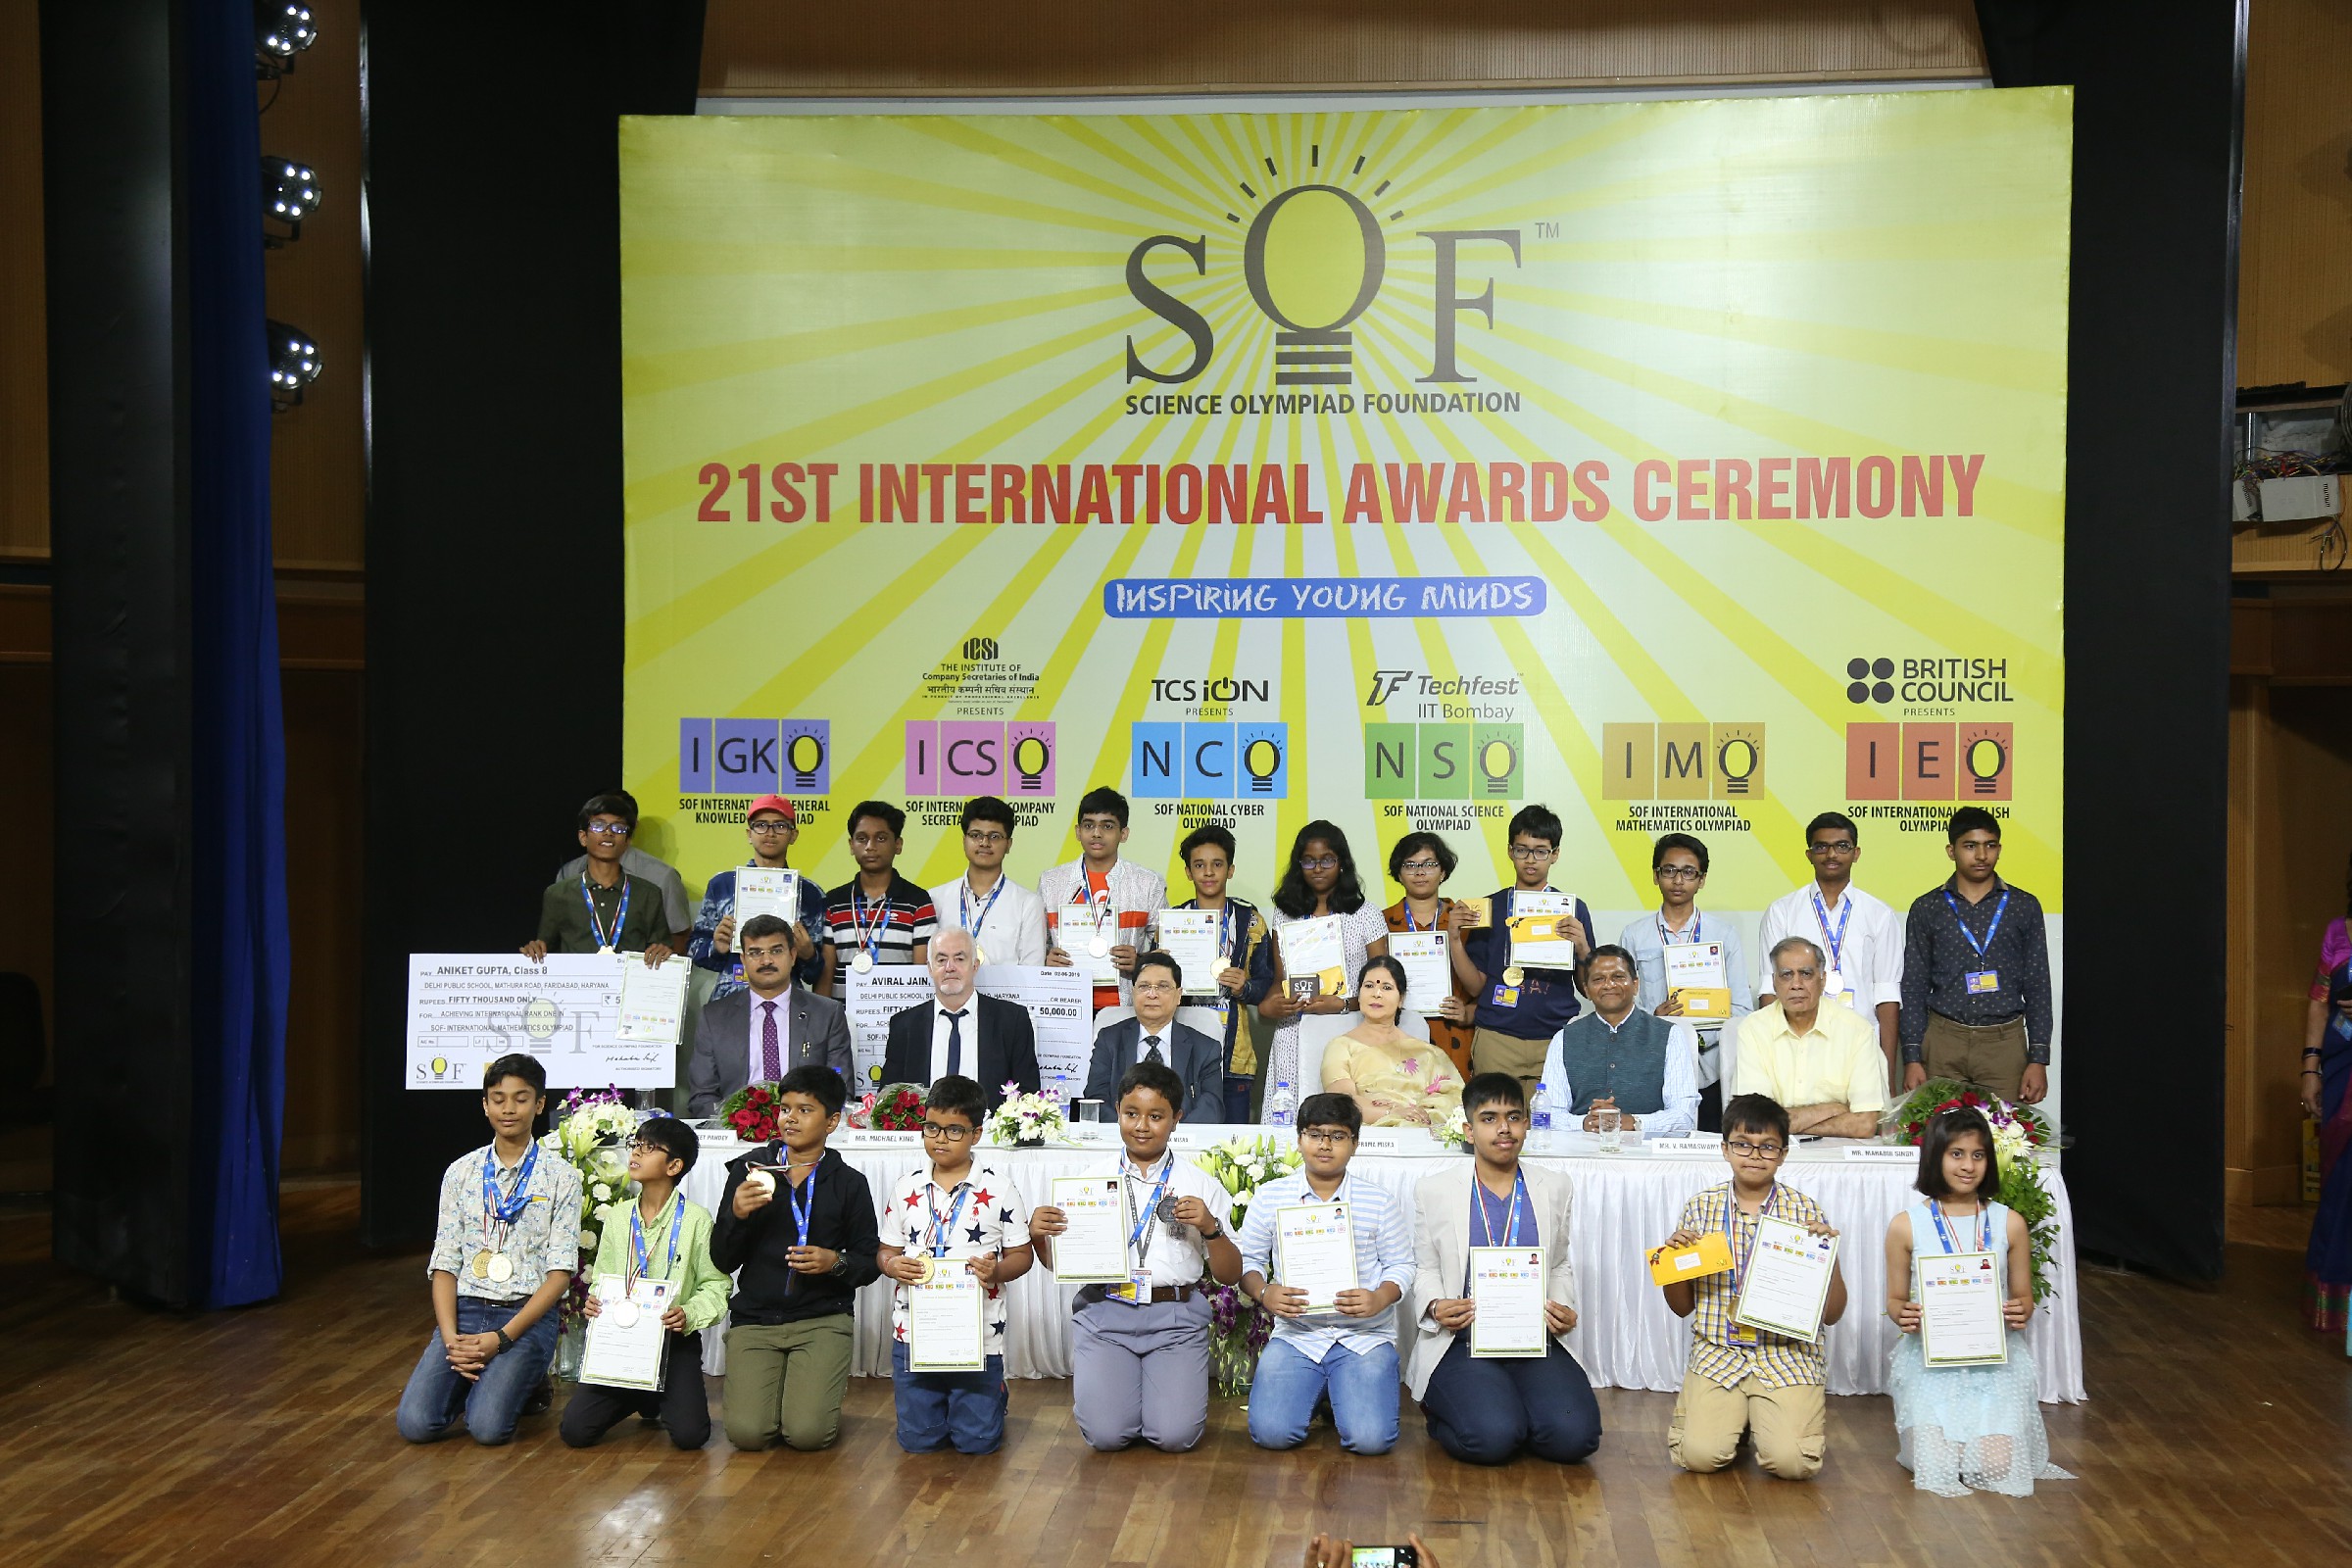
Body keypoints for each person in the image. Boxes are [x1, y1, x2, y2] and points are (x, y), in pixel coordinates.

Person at [1029, 1060, 1242, 1452]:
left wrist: (1211, 1228)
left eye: (1156, 1116)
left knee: (1176, 1437)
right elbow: (1060, 1264)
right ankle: (1129, 1399)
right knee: (1106, 1436)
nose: (1142, 1126)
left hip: (1175, 1319)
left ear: (1176, 1119)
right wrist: (1038, 1238)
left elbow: (1230, 1275)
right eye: (1131, 1114)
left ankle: (1156, 1401)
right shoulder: (1087, 1183)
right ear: (1117, 1112)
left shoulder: (1200, 1185)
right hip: (1106, 1312)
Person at [1404, 1073, 1602, 1466]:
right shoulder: (1436, 1189)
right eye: (1489, 1118)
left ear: (1527, 1124)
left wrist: (1562, 1306)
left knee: (1575, 1439)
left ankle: (1513, 1412)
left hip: (1532, 1339)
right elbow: (1425, 1268)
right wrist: (1436, 1306)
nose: (1504, 1129)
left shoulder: (1554, 1186)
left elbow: (1558, 1263)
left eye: (1513, 1117)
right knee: (1491, 1438)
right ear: (1469, 1129)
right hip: (1462, 1340)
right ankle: (1460, 1415)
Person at [1654, 1093, 1845, 1481]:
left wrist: (1828, 1254)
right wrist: (1674, 1262)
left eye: (1768, 1147)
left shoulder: (1805, 1212)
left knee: (1792, 1463)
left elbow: (1833, 1314)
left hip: (1786, 1353)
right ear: (1725, 1149)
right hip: (1720, 1350)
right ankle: (1738, 1420)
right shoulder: (1700, 1208)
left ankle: (1756, 1416)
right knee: (1699, 1456)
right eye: (1743, 1144)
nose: (1755, 1155)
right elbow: (1681, 1307)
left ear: (1784, 1154)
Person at [395, 1054, 583, 1446]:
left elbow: (560, 1274)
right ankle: (485, 1379)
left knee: (488, 1429)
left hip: (524, 1317)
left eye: (520, 1098)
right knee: (416, 1424)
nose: (508, 1108)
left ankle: (526, 1382)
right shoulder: (460, 1172)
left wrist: (502, 1338)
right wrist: (451, 1339)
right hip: (465, 1313)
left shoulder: (561, 1177)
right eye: (498, 1099)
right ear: (485, 1105)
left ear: (539, 1104)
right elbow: (445, 1264)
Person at [1885, 1105, 2072, 1497]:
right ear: (1935, 1157)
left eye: (1978, 1155)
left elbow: (2024, 1297)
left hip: (1994, 1366)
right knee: (1937, 1464)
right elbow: (1895, 1301)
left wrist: (2021, 1310)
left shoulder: (2009, 1222)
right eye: (1956, 1154)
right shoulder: (1906, 1224)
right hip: (1931, 1364)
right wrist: (1903, 1313)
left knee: (1994, 1467)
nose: (1968, 1166)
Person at [709, 1063, 882, 1451]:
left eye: (805, 1110)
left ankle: (805, 1398)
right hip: (756, 1321)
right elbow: (722, 1259)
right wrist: (736, 1215)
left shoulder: (849, 1183)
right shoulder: (750, 1171)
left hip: (822, 1320)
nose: (790, 1118)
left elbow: (869, 1260)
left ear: (832, 1121)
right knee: (748, 1434)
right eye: (785, 1108)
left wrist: (834, 1262)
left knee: (807, 1434)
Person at [1237, 1092, 1415, 1455]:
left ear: (1355, 1143)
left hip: (1364, 1336)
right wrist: (1264, 1292)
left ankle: (1336, 1393)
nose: (1325, 1144)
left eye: (1337, 1136)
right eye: (1315, 1134)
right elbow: (1248, 1260)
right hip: (1298, 1335)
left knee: (1371, 1441)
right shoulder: (1270, 1196)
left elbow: (1402, 1264)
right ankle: (1323, 1393)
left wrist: (1379, 1297)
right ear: (1299, 1138)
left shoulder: (1378, 1201)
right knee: (1272, 1435)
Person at [875, 1075, 1035, 1454]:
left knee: (977, 1443)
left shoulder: (999, 1188)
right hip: (915, 1331)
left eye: (954, 1130)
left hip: (977, 1334)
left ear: (976, 1134)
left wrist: (996, 1271)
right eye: (932, 1127)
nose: (940, 1139)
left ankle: (993, 1394)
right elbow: (885, 1251)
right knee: (919, 1442)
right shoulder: (906, 1187)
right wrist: (892, 1266)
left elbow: (1022, 1255)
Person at [560, 1115, 729, 1450]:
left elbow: (715, 1286)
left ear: (674, 1165)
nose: (636, 1152)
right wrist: (596, 1301)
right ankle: (642, 1393)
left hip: (673, 1340)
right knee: (575, 1431)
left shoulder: (696, 1219)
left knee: (691, 1436)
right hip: (623, 1338)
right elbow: (603, 1277)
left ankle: (653, 1392)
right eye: (635, 1144)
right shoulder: (619, 1216)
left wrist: (688, 1313)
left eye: (650, 1147)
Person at [1899, 808, 2052, 1104]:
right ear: (1951, 851)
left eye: (1990, 845)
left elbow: (2038, 985)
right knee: (1938, 1130)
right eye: (1970, 846)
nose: (1982, 855)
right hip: (1943, 1041)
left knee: (2005, 1132)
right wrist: (1912, 1057)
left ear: (1999, 849)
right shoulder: (1927, 908)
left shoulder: (2024, 906)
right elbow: (1914, 986)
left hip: (2004, 1045)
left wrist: (2038, 1058)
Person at [1452, 805, 1595, 1097]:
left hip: (1556, 1036)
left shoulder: (1573, 909)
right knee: (1496, 1117)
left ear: (1555, 854)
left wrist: (1583, 948)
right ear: (1510, 851)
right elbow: (1476, 986)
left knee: (1552, 1121)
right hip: (1497, 1037)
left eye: (1541, 851)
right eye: (1522, 850)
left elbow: (1587, 989)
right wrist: (1454, 939)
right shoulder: (1490, 908)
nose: (1531, 860)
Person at [1756, 812, 1903, 1090]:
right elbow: (1770, 989)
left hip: (1862, 1044)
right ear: (1809, 854)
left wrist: (1887, 1074)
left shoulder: (1879, 915)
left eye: (1842, 846)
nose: (1832, 854)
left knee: (1861, 1117)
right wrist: (1771, 1058)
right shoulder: (1782, 912)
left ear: (1856, 853)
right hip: (1798, 1045)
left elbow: (1887, 994)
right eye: (1822, 846)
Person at [1256, 820, 1391, 1115]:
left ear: (1342, 863)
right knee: (1291, 1120)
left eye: (1327, 860)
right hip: (1293, 1032)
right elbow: (1280, 980)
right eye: (1309, 861)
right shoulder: (1285, 914)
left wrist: (1341, 1005)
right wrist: (1270, 1006)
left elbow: (1383, 989)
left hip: (1348, 1030)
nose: (1317, 868)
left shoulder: (1366, 914)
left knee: (1341, 1118)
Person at [1619, 832, 1748, 1132]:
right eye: (1670, 870)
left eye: (1689, 872)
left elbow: (1742, 1009)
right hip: (1653, 1064)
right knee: (1654, 1146)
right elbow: (1622, 1006)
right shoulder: (1634, 935)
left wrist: (1699, 1039)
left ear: (1702, 880)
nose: (1678, 880)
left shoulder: (1724, 935)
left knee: (1710, 1147)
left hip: (1713, 1068)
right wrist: (1653, 1019)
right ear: (1656, 876)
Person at [684, 913, 853, 1115]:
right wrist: (734, 1123)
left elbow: (840, 1090)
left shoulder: (827, 1014)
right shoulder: (714, 1017)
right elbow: (702, 1097)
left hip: (807, 1128)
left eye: (776, 951)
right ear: (743, 960)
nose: (766, 960)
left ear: (793, 956)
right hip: (736, 1128)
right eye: (755, 952)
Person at [1536, 945, 1700, 1139]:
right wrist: (1585, 1123)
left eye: (1618, 977)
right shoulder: (1564, 1039)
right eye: (1598, 979)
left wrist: (1634, 1122)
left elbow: (1684, 1116)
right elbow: (1548, 1114)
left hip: (1646, 1149)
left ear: (1635, 985)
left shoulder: (1670, 1035)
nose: (1609, 985)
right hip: (1581, 1147)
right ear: (1587, 990)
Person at [1730, 938, 1886, 1138]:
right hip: (1773, 1150)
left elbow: (1864, 1124)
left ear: (1823, 980)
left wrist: (1784, 1124)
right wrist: (1831, 1109)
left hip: (1839, 1152)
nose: (1796, 984)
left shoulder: (1857, 1030)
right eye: (1786, 975)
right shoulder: (1753, 1029)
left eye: (1806, 974)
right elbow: (1755, 1120)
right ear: (1774, 983)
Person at [1172, 824, 1273, 1123]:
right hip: (1183, 1050)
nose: (1208, 872)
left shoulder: (1251, 920)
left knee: (1233, 1139)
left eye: (1217, 864)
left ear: (1230, 870)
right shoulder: (1173, 921)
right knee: (1183, 1136)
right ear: (1188, 872)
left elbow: (1267, 982)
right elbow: (1154, 985)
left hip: (1235, 1053)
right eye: (1199, 865)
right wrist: (1162, 968)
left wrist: (1245, 987)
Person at [1038, 786, 1168, 1013]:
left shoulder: (1148, 883)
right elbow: (1035, 946)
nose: (1096, 833)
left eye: (1107, 826)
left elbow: (1168, 951)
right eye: (1089, 825)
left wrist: (1141, 961)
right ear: (1078, 831)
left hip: (1127, 1008)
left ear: (1124, 833)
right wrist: (1045, 961)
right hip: (1065, 1006)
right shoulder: (1051, 882)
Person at [880, 926, 1041, 1108]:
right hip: (924, 1126)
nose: (950, 968)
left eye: (959, 959)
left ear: (975, 966)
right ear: (930, 968)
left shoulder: (1012, 1020)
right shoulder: (904, 1025)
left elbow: (1028, 1093)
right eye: (941, 960)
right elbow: (888, 1098)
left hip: (989, 1126)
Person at [687, 795, 829, 1001]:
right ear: (749, 834)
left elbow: (816, 972)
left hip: (787, 1003)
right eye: (761, 825)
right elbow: (694, 950)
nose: (770, 833)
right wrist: (716, 947)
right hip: (730, 1000)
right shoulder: (722, 885)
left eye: (780, 826)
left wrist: (809, 955)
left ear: (793, 835)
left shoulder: (810, 893)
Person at [523, 794, 675, 963]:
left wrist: (662, 951)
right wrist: (535, 949)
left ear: (627, 841)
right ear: (583, 837)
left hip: (630, 980)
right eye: (598, 826)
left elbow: (662, 949)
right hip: (578, 980)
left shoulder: (649, 894)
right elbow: (546, 950)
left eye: (618, 828)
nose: (608, 832)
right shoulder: (558, 894)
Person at [1320, 955, 1465, 1129]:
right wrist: (1392, 1113)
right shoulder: (1341, 1046)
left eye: (1386, 987)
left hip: (1422, 1130)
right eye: (1369, 986)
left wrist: (1417, 1115)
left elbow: (1454, 1098)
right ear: (1359, 995)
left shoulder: (1427, 1053)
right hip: (1369, 1131)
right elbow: (1341, 1102)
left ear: (1401, 999)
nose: (1376, 994)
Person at [2301, 862, 2352, 1333]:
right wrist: (2310, 1068)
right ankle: (2334, 1301)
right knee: (2340, 1183)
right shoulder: (2338, 932)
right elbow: (2319, 1001)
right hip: (2340, 1068)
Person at [1081, 951, 1223, 1115]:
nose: (1152, 994)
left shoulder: (1206, 1048)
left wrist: (1172, 1129)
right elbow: (1096, 1099)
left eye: (1162, 986)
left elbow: (1212, 1107)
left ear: (1178, 995)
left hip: (1180, 1130)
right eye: (1144, 986)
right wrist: (1129, 1128)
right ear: (1133, 992)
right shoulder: (1109, 1039)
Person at [1385, 831, 1480, 1075]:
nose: (1420, 872)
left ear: (1443, 871)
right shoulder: (1382, 922)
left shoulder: (1465, 919)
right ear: (1399, 874)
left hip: (1453, 1031)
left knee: (1454, 1097)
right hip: (1397, 1031)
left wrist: (1468, 1013)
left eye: (1429, 864)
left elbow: (1481, 986)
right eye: (1410, 865)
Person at [553, 787, 693, 952]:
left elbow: (680, 937)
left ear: (631, 829)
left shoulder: (662, 877)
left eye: (616, 825)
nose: (607, 832)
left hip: (638, 967)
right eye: (599, 825)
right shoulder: (568, 873)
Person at [818, 800, 936, 995]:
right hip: (842, 1014)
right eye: (862, 838)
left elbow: (923, 976)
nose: (870, 846)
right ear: (851, 845)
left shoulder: (918, 902)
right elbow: (825, 976)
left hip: (901, 1013)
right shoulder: (834, 902)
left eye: (881, 838)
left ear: (898, 845)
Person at [927, 795, 1049, 967]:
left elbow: (1032, 971)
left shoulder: (1028, 904)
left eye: (994, 836)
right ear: (964, 840)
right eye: (976, 835)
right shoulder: (935, 899)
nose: (984, 843)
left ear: (1009, 844)